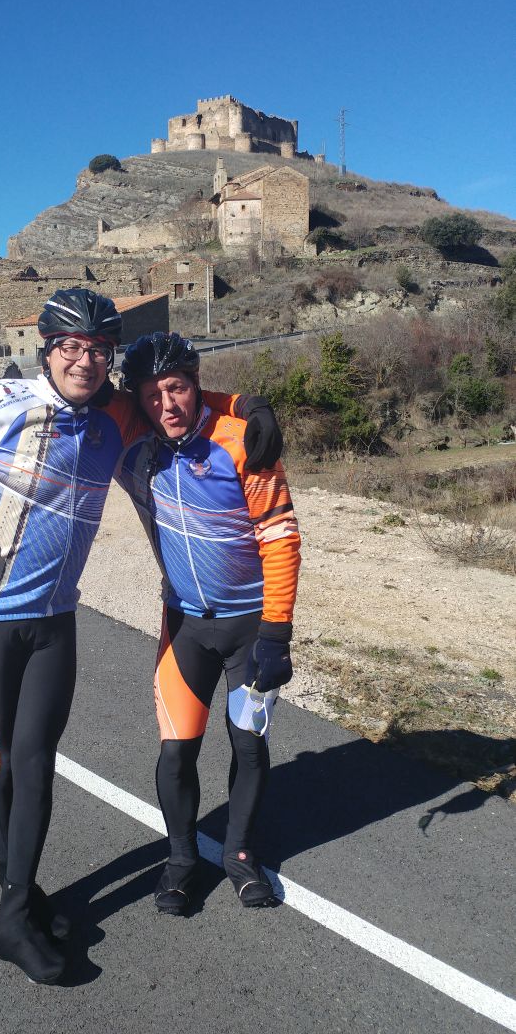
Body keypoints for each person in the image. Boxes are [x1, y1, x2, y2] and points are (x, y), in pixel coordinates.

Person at [0, 289, 282, 984]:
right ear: (47, 350)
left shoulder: (114, 416)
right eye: (70, 347)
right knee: (1, 762)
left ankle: (21, 904)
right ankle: (14, 910)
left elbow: (175, 398)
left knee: (37, 762)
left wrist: (249, 405)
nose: (83, 361)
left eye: (98, 350)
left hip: (56, 615)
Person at [117, 332, 301, 915]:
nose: (166, 404)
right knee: (176, 752)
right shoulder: (133, 440)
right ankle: (180, 859)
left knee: (249, 744)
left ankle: (241, 855)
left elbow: (281, 539)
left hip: (250, 630)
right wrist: (246, 398)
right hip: (184, 628)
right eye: (152, 394)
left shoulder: (243, 440)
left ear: (196, 384)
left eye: (177, 388)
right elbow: (83, 397)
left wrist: (276, 632)